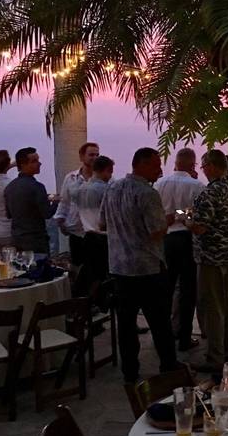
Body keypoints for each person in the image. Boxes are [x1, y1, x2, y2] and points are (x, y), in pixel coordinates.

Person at [100, 147, 178, 383]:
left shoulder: (112, 188)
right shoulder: (147, 193)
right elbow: (156, 231)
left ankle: (130, 372)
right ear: (141, 165)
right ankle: (169, 366)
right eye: (156, 165)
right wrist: (169, 220)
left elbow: (102, 223)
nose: (160, 170)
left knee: (126, 324)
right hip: (147, 267)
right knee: (160, 321)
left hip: (119, 267)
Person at [188, 149, 228, 369]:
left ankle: (215, 359)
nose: (202, 171)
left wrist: (188, 220)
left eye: (203, 167)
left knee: (213, 307)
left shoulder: (211, 192)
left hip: (213, 257)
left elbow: (200, 227)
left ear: (210, 166)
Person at [154, 148, 205, 351]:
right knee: (187, 290)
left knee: (166, 289)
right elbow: (196, 214)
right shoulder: (197, 186)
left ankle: (164, 337)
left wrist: (173, 213)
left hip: (165, 240)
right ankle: (184, 338)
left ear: (175, 163)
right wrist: (181, 213)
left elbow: (158, 211)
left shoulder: (159, 184)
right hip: (186, 239)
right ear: (193, 165)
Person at [4, 147, 58, 254]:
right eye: (34, 161)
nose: (39, 164)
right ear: (23, 165)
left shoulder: (10, 187)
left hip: (16, 240)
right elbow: (47, 213)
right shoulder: (37, 187)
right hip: (36, 242)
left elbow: (9, 214)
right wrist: (55, 201)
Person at [54, 142, 99, 265]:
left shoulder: (105, 179)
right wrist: (62, 223)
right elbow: (65, 202)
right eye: (91, 155)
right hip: (76, 233)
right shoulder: (71, 178)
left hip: (97, 233)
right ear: (82, 156)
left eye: (97, 155)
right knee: (78, 267)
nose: (94, 158)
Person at [76, 155, 114, 283]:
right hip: (103, 238)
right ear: (106, 170)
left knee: (92, 276)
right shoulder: (106, 190)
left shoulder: (80, 189)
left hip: (87, 236)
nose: (110, 176)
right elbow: (108, 216)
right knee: (104, 277)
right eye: (110, 172)